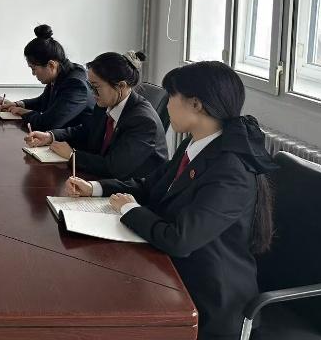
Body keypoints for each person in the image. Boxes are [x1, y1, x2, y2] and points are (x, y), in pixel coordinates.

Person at [66, 61, 277, 340]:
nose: (165, 106)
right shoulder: (196, 144)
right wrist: (95, 188)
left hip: (207, 299)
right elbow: (150, 186)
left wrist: (129, 208)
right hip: (171, 272)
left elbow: (180, 239)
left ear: (196, 104)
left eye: (171, 98)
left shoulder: (231, 170)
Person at [24, 50, 167, 179]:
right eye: (90, 86)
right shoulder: (105, 103)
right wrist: (51, 136)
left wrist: (72, 156)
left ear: (121, 86)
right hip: (103, 180)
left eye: (96, 87)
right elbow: (86, 130)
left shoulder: (143, 121)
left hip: (131, 190)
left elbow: (114, 168)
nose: (92, 92)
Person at [0, 25, 93, 130]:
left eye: (33, 68)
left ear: (51, 65)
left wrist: (22, 112)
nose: (33, 74)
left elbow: (48, 123)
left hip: (77, 139)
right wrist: (17, 104)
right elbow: (43, 101)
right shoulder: (61, 72)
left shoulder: (76, 85)